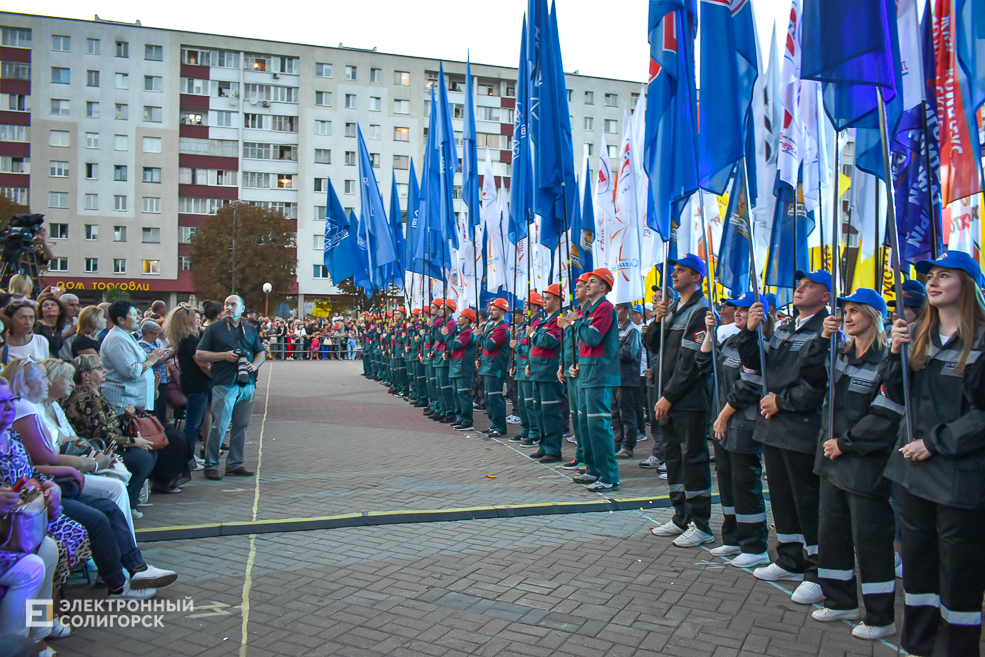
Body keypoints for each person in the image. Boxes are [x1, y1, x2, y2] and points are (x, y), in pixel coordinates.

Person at [884, 251, 985, 656]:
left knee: (959, 577)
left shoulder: (980, 340)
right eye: (930, 275)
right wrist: (895, 351)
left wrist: (935, 442)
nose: (933, 281)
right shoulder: (918, 335)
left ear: (968, 284)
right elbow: (893, 393)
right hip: (912, 475)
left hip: (959, 478)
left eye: (945, 275)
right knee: (919, 573)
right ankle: (918, 647)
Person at [795, 289, 903, 640]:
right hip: (831, 460)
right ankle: (840, 600)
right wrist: (821, 338)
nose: (848, 317)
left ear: (873, 316)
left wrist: (846, 444)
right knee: (832, 534)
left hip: (864, 464)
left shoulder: (887, 358)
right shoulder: (838, 350)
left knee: (870, 542)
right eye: (846, 311)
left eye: (856, 311)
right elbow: (810, 377)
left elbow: (886, 416)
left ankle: (880, 615)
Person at [737, 269, 831, 605]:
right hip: (774, 425)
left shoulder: (826, 329)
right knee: (782, 496)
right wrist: (751, 331)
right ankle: (790, 558)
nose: (800, 288)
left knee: (808, 501)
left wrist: (782, 401)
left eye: (810, 286)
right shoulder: (787, 326)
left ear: (825, 297)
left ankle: (818, 571)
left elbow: (818, 384)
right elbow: (758, 363)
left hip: (801, 425)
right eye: (800, 284)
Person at [24, 358, 137, 538]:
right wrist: (94, 463)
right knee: (115, 488)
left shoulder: (53, 405)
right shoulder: (33, 411)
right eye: (68, 378)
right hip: (59, 475)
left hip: (70, 467)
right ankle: (126, 551)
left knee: (122, 474)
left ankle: (124, 549)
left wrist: (95, 455)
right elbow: (49, 458)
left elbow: (72, 439)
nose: (71, 383)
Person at [699, 292, 772, 567]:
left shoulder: (759, 344)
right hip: (724, 422)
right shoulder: (731, 340)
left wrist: (723, 415)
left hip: (743, 423)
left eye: (745, 309)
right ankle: (733, 539)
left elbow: (750, 385)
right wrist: (709, 332)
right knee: (727, 481)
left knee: (745, 485)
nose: (738, 313)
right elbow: (704, 363)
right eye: (736, 308)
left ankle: (754, 546)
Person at [647, 254, 714, 547]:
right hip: (668, 397)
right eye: (673, 270)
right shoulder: (673, 307)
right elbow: (651, 345)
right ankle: (680, 517)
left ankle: (701, 524)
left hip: (687, 399)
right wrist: (658, 319)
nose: (673, 275)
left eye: (681, 271)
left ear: (696, 276)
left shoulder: (701, 310)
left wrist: (669, 396)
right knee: (674, 459)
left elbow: (693, 362)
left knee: (693, 459)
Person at [61, 355, 157, 516]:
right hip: (97, 447)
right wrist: (133, 441)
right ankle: (126, 501)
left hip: (110, 442)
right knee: (143, 459)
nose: (105, 370)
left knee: (150, 452)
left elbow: (107, 423)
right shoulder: (85, 397)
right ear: (85, 375)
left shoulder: (95, 392)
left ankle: (131, 501)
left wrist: (125, 417)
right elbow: (101, 434)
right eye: (99, 368)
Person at [196, 295, 265, 481]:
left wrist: (254, 366)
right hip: (225, 382)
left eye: (233, 304)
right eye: (226, 304)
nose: (229, 307)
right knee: (220, 424)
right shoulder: (213, 330)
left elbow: (261, 353)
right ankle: (211, 464)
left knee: (241, 425)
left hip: (247, 382)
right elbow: (200, 354)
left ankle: (235, 463)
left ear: (242, 308)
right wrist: (224, 356)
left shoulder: (250, 329)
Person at [567, 268, 620, 492]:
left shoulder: (605, 308)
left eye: (593, 281)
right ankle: (593, 469)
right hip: (588, 373)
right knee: (587, 425)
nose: (587, 284)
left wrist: (575, 323)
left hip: (599, 374)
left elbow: (592, 337)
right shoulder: (590, 309)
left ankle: (609, 476)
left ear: (603, 287)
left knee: (599, 425)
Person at [100, 300, 165, 415]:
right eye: (133, 315)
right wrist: (150, 361)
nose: (138, 318)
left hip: (135, 402)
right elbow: (131, 371)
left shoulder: (127, 335)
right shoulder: (116, 339)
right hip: (124, 404)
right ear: (121, 320)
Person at [167, 304, 210, 467]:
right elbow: (201, 362)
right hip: (197, 383)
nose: (197, 319)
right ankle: (187, 458)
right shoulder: (190, 339)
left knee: (195, 421)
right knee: (193, 423)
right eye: (194, 316)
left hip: (193, 383)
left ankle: (189, 455)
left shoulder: (184, 338)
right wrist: (215, 376)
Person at [559, 274, 591, 471]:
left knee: (584, 415)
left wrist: (570, 324)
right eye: (576, 286)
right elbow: (568, 345)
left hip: (581, 370)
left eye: (580, 286)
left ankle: (588, 457)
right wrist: (562, 365)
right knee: (575, 415)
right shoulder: (576, 312)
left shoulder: (586, 314)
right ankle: (580, 454)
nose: (576, 290)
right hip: (570, 369)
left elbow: (584, 340)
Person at [528, 284, 563, 463]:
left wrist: (533, 333)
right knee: (539, 410)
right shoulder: (544, 321)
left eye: (548, 298)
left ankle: (553, 449)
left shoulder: (558, 320)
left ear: (557, 301)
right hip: (537, 370)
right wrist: (528, 363)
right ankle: (543, 445)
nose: (544, 301)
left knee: (550, 412)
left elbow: (549, 341)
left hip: (548, 371)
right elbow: (535, 347)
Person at [640, 285, 669, 473]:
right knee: (655, 418)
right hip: (653, 379)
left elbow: (670, 353)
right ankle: (658, 453)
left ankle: (668, 455)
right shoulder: (654, 321)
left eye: (659, 297)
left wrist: (654, 370)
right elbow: (651, 347)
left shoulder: (673, 320)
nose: (655, 300)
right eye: (654, 297)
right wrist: (646, 334)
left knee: (667, 420)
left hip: (664, 377)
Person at [613, 302, 642, 459]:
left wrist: (610, 351)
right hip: (614, 377)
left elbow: (628, 354)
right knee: (615, 413)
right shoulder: (615, 329)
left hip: (626, 377)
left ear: (628, 311)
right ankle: (617, 442)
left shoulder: (633, 330)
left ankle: (628, 445)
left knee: (626, 414)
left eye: (619, 308)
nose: (616, 311)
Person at [479, 299, 510, 437]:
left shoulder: (502, 328)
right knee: (489, 397)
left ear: (502, 311)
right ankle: (494, 424)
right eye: (491, 309)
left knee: (495, 397)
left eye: (495, 309)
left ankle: (500, 427)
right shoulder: (493, 327)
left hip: (495, 366)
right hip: (488, 365)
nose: (491, 311)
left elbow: (490, 345)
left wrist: (479, 335)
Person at [447, 308, 477, 431]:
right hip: (456, 365)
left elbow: (457, 345)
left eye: (461, 316)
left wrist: (446, 336)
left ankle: (467, 420)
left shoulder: (468, 333)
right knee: (456, 393)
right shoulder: (460, 332)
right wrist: (449, 354)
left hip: (463, 366)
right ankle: (459, 417)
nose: (458, 318)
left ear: (467, 319)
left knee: (463, 393)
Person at [137, 320, 172, 426]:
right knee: (156, 409)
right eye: (156, 333)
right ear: (147, 333)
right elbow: (151, 363)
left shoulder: (157, 342)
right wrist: (165, 356)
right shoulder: (142, 345)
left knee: (162, 408)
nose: (158, 336)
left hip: (163, 379)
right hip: (153, 381)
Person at [32, 291, 69, 358]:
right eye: (45, 305)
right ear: (41, 311)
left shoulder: (58, 327)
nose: (49, 307)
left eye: (53, 305)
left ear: (60, 311)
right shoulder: (37, 325)